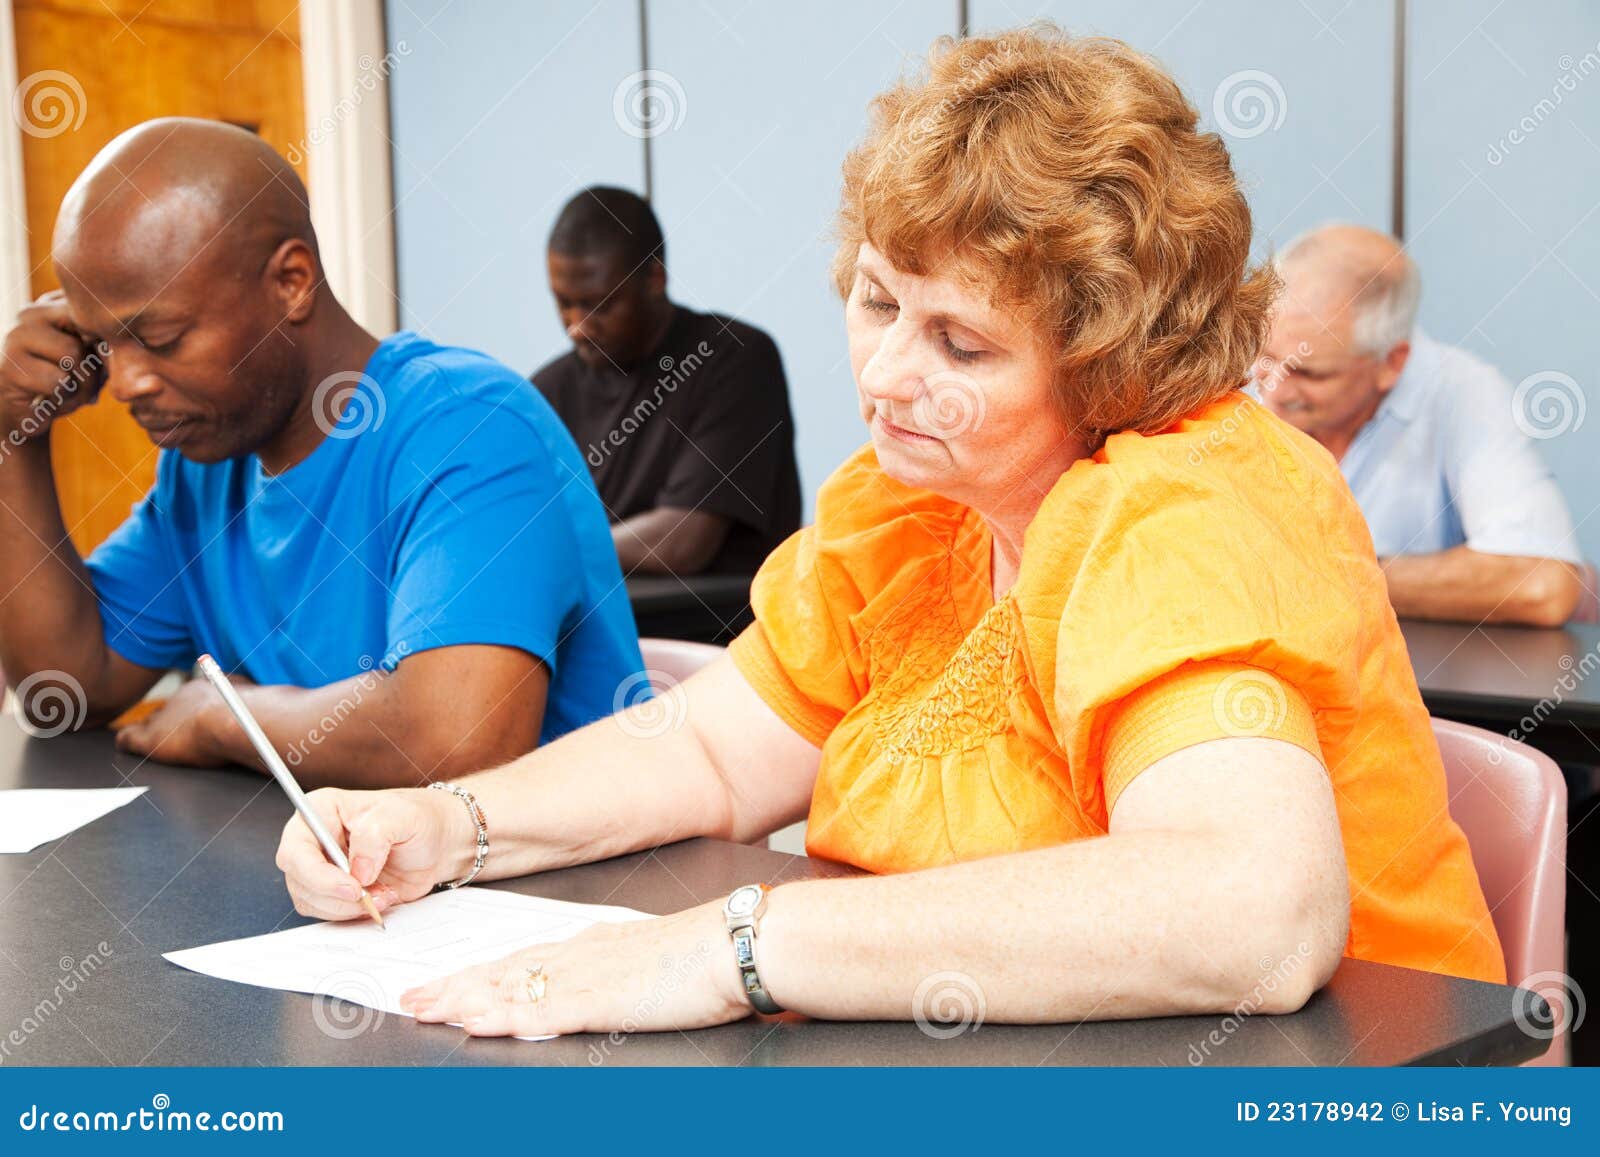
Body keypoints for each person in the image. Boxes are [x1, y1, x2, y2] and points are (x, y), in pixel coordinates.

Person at [276, 29, 1503, 1040]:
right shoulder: (919, 495)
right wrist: (451, 826)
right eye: (875, 301)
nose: (886, 377)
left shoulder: (1189, 500)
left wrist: (738, 943)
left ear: (1110, 366)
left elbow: (1255, 911)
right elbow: (708, 752)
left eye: (960, 343)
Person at [0, 119, 642, 787]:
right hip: (364, 873)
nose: (125, 383)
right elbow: (64, 689)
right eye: (103, 344)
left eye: (159, 336)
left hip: (570, 882)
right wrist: (15, 432)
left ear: (292, 281)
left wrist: (229, 718)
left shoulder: (469, 425)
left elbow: (456, 739)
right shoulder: (201, 472)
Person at [1255, 223, 1583, 626]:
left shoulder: (1464, 393)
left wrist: (1329, 574)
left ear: (1392, 363)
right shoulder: (1226, 376)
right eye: (1265, 357)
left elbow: (1544, 586)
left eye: (1311, 374)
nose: (1273, 390)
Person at [532, 187, 802, 576]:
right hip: (591, 625)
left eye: (600, 304)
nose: (578, 327)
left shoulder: (733, 358)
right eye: (563, 302)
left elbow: (683, 544)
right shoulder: (548, 391)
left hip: (705, 627)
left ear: (655, 278)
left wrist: (554, 549)